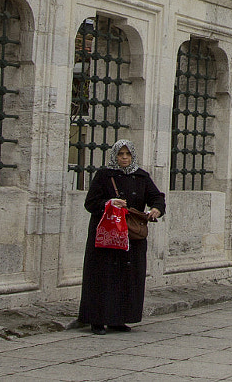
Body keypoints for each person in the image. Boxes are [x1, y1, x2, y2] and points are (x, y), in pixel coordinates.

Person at [78, 139, 165, 334]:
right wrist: (109, 203)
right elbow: (90, 203)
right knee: (103, 277)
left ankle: (119, 318)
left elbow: (156, 196)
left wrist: (156, 209)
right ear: (114, 156)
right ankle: (97, 320)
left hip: (130, 237)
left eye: (128, 155)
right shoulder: (104, 176)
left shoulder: (141, 176)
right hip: (106, 236)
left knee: (127, 277)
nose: (124, 158)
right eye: (120, 154)